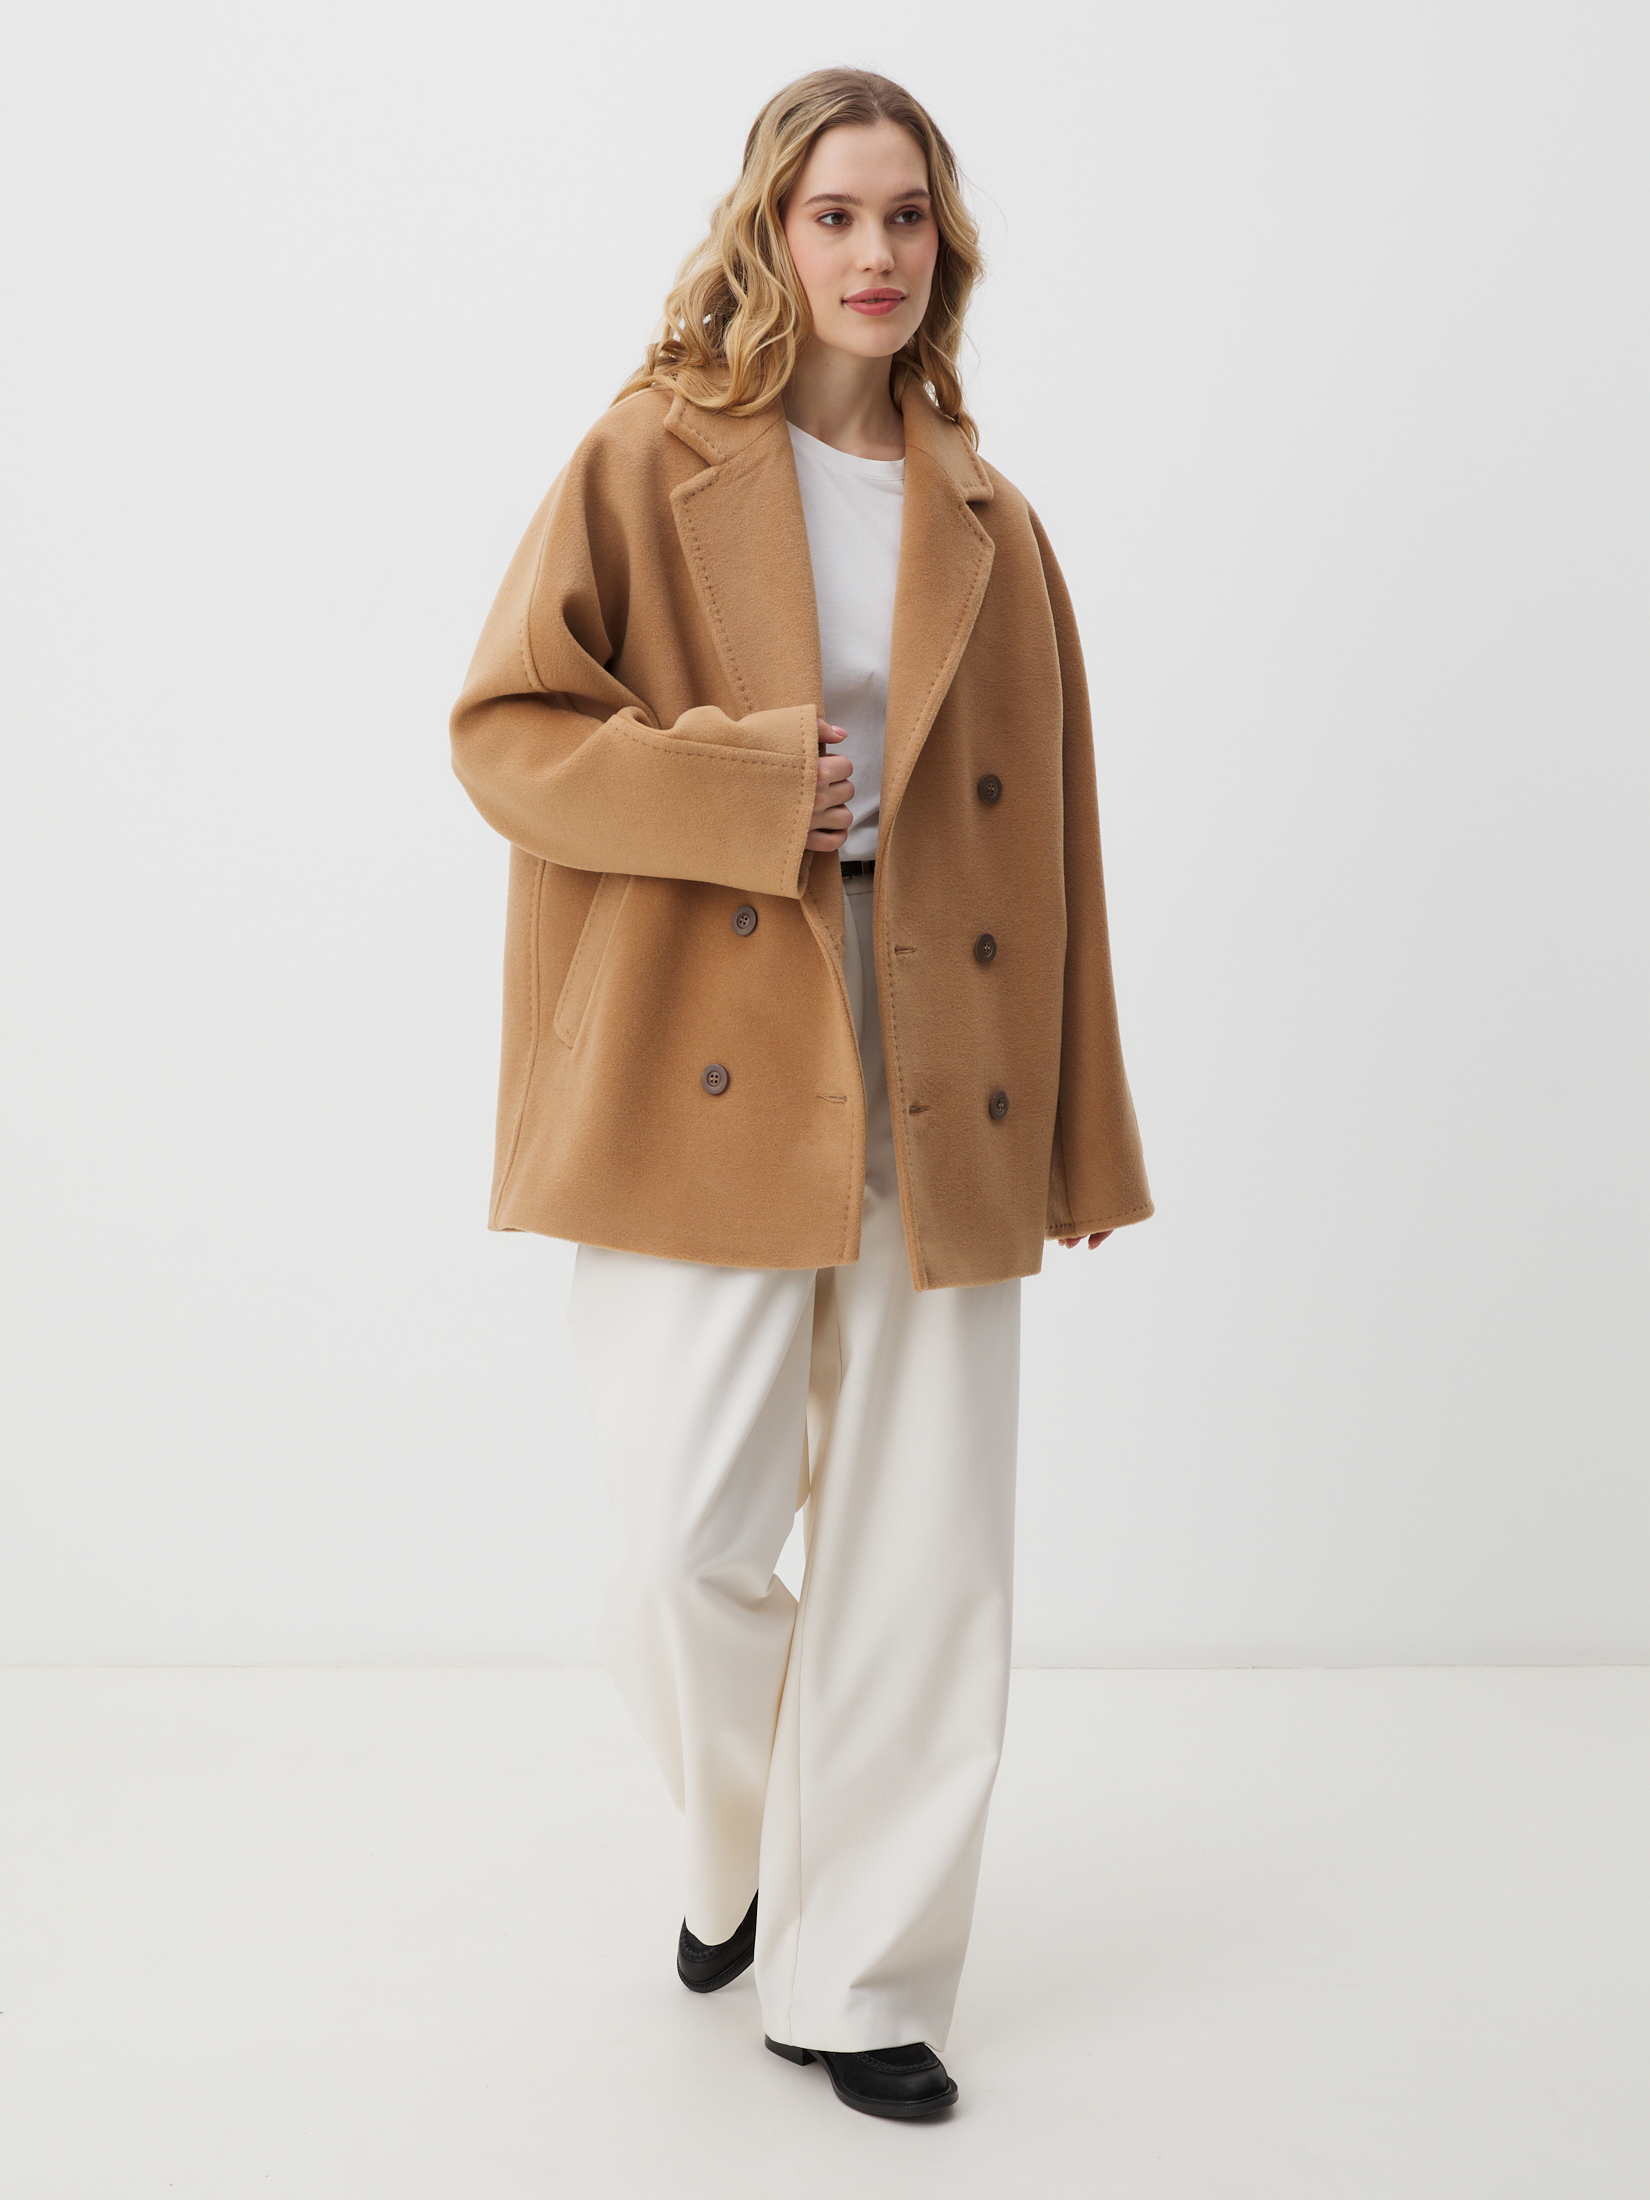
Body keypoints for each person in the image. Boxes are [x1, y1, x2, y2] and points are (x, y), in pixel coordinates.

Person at [449, 67, 1152, 2122]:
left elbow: (1058, 850)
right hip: (708, 1029)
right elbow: (505, 734)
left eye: (905, 216)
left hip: (947, 1049)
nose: (872, 252)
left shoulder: (992, 524)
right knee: (688, 1532)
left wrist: (1081, 1127)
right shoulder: (646, 454)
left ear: (944, 248)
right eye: (835, 214)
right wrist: (747, 786)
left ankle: (859, 1977)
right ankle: (743, 1843)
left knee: (924, 1553)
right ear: (772, 234)